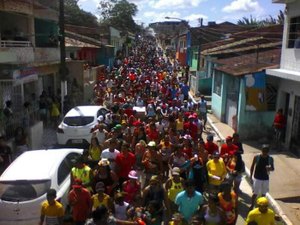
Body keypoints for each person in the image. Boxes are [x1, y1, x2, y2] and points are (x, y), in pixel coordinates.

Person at [249, 144, 274, 210]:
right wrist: (250, 176)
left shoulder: (270, 159)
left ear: (268, 151)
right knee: (255, 193)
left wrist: (269, 168)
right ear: (261, 150)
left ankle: (261, 206)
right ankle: (252, 205)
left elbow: (273, 168)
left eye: (266, 151)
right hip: (257, 178)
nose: (265, 152)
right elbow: (252, 167)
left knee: (263, 194)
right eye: (264, 150)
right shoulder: (256, 157)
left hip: (266, 178)